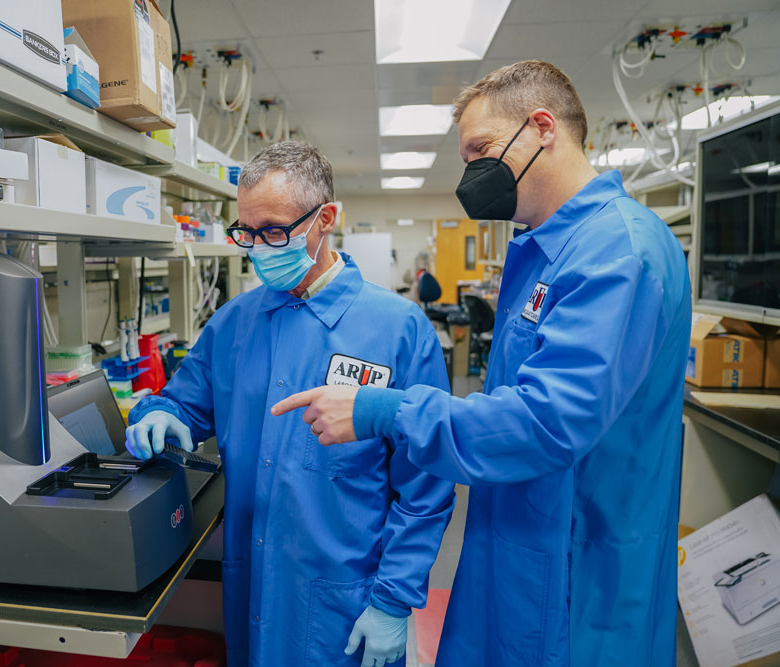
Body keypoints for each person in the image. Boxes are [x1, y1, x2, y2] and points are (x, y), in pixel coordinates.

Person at [272, 61, 691, 665]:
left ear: (541, 127)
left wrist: (383, 409)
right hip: (520, 546)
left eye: (480, 150)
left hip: (581, 575)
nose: (472, 173)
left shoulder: (616, 253)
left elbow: (547, 422)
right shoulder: (544, 249)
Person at [125, 142, 455, 667]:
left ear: (325, 219)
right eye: (247, 233)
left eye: (274, 231)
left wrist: (393, 600)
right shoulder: (234, 323)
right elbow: (183, 405)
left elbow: (426, 486)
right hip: (253, 586)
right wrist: (156, 414)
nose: (258, 248)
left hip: (346, 602)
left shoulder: (397, 328)